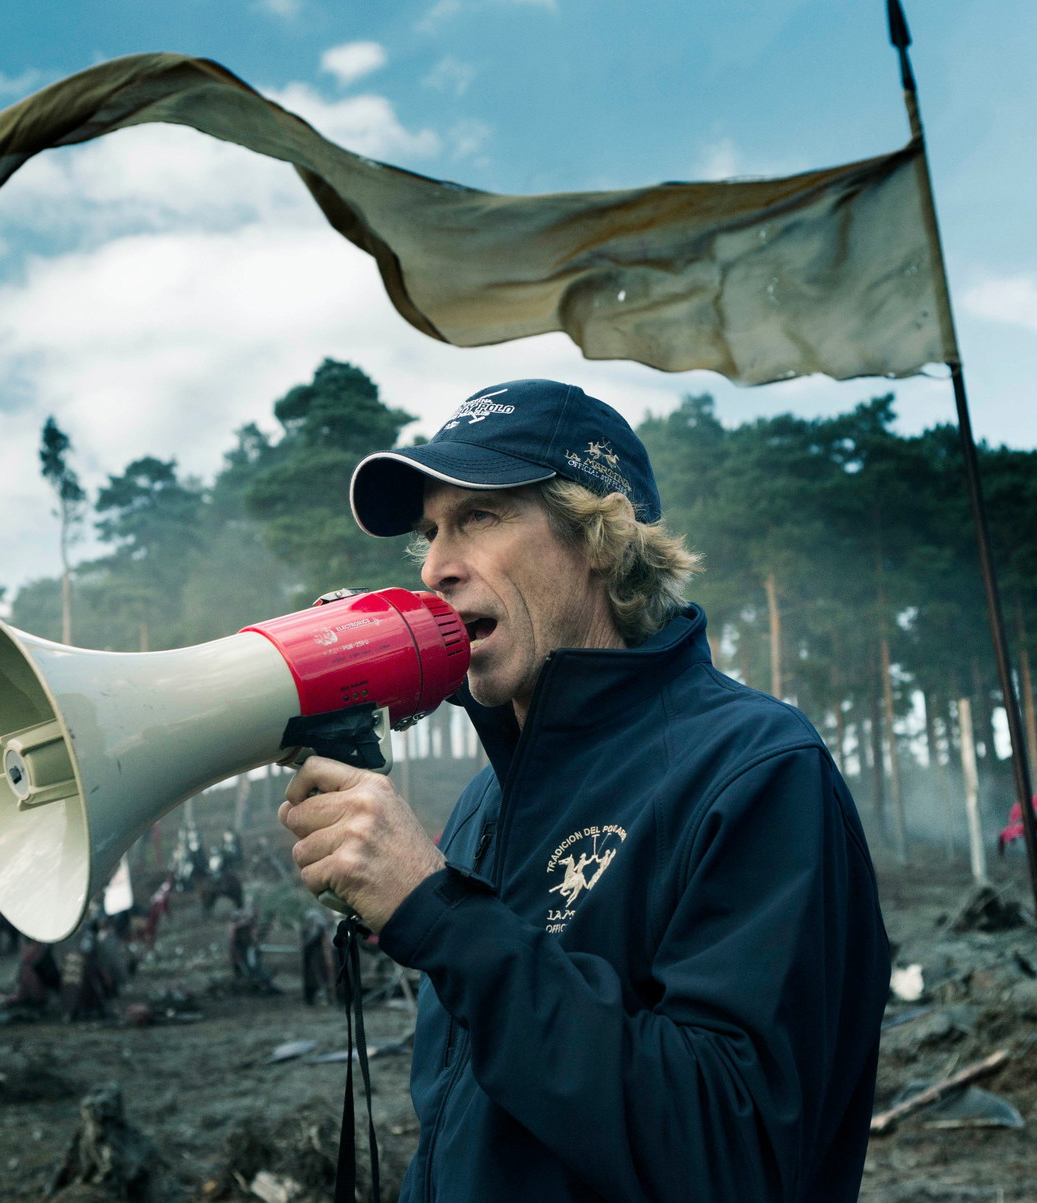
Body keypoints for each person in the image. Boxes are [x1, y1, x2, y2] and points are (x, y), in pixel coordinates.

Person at [278, 378, 890, 1202]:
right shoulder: (481, 809)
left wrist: (440, 913)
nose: (434, 566)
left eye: (480, 517)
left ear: (600, 536)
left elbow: (733, 1149)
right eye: (430, 531)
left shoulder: (757, 769)